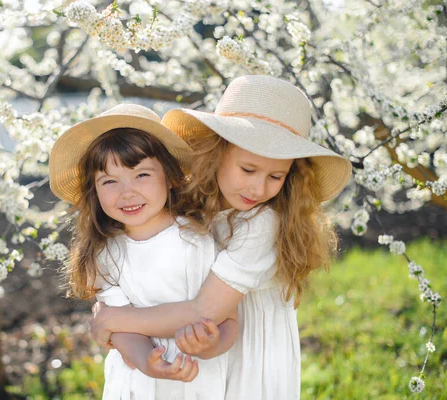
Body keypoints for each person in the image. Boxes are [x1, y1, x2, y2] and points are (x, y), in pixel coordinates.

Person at [89, 76, 353, 399]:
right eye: (248, 169)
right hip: (199, 342)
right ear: (218, 153)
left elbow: (206, 310)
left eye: (275, 176)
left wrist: (114, 319)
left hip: (250, 347)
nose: (258, 188)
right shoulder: (195, 203)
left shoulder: (264, 223)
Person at [48, 104, 237, 399]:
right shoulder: (105, 253)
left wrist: (212, 344)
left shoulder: (195, 239)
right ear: (94, 191)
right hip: (137, 379)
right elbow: (119, 325)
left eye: (142, 175)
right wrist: (147, 364)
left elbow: (228, 318)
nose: (127, 192)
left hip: (196, 373)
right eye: (110, 181)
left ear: (170, 176)